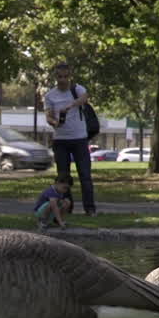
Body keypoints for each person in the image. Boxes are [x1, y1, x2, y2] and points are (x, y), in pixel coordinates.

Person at [44, 63, 96, 216]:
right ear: (55, 77)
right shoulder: (50, 95)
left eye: (65, 76)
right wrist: (55, 123)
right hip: (60, 141)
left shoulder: (77, 89)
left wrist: (70, 106)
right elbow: (48, 116)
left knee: (85, 175)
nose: (63, 80)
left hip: (79, 139)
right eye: (59, 77)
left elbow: (84, 98)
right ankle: (67, 207)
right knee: (63, 177)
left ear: (70, 76)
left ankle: (90, 208)